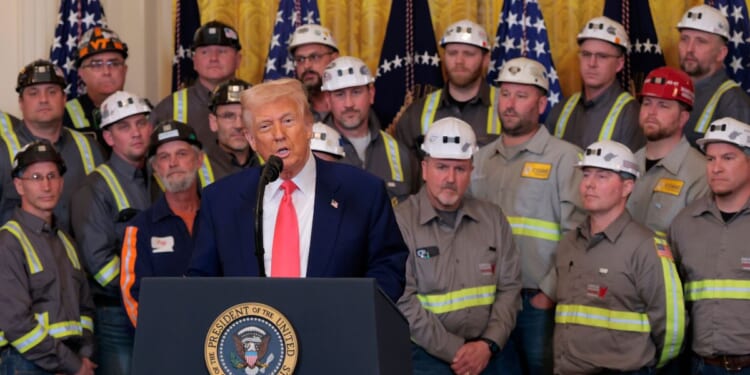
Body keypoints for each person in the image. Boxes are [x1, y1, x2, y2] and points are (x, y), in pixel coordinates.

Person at [186, 78, 408, 303]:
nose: (279, 134)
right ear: (251, 139)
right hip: (252, 336)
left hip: (336, 331)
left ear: (308, 126)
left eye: (288, 121)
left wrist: (351, 316)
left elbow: (388, 267)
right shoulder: (221, 201)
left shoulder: (363, 192)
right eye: (265, 126)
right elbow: (202, 281)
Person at [471, 57, 585, 375]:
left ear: (542, 103)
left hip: (538, 303)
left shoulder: (566, 159)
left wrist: (550, 292)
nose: (510, 104)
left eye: (521, 96)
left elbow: (578, 234)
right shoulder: (478, 160)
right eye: (505, 94)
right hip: (488, 303)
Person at [396, 117, 521, 375]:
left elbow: (509, 288)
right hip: (426, 356)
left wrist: (487, 345)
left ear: (471, 170)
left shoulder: (493, 218)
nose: (450, 178)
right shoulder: (400, 222)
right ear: (425, 168)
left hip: (490, 354)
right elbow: (402, 300)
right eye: (442, 167)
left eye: (460, 169)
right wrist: (456, 352)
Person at [553, 140, 685, 374]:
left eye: (602, 176)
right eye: (586, 175)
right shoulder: (569, 244)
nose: (589, 185)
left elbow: (672, 328)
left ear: (627, 187)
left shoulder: (646, 247)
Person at [70, 91, 153, 375]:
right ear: (108, 138)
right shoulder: (94, 189)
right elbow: (100, 265)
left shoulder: (158, 177)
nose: (136, 133)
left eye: (141, 123)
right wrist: (144, 291)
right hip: (115, 314)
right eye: (124, 127)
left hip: (154, 307)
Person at [0, 140, 96, 375]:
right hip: (25, 363)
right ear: (19, 186)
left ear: (61, 183)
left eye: (52, 176)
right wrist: (72, 364)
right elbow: (16, 324)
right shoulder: (8, 242)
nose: (46, 185)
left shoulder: (66, 241)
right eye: (36, 178)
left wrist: (84, 355)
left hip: (69, 361)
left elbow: (85, 310)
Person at [669, 117, 750, 374]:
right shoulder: (684, 224)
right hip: (701, 365)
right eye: (710, 159)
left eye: (728, 158)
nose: (716, 168)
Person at [0, 60, 104, 232]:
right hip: (20, 257)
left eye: (52, 92)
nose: (43, 100)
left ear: (64, 99)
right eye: (33, 93)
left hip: (83, 255)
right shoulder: (3, 151)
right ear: (21, 102)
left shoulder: (89, 147)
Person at [121, 121, 204, 328]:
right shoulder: (140, 228)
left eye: (182, 154)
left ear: (199, 160)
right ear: (156, 168)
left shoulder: (220, 218)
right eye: (164, 157)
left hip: (219, 342)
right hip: (166, 343)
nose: (173, 163)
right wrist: (160, 340)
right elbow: (132, 296)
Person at [395, 19, 499, 167]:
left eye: (468, 54)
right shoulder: (416, 113)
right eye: (452, 53)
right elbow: (405, 174)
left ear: (486, 60)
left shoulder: (506, 108)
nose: (459, 61)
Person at [627, 67, 709, 237]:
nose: (652, 112)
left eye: (663, 105)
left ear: (683, 118)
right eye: (647, 102)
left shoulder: (701, 174)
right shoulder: (627, 163)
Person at [322, 56, 413, 203]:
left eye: (356, 92)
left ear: (371, 94)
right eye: (340, 94)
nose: (349, 104)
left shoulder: (399, 153)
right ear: (327, 100)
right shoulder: (312, 152)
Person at [545, 16, 644, 151]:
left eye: (602, 56)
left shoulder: (631, 114)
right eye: (586, 54)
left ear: (619, 64)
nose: (591, 63)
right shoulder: (563, 108)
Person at [152, 20, 242, 166]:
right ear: (194, 61)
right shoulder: (167, 109)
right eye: (205, 52)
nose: (213, 58)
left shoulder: (258, 101)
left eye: (222, 51)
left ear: (238, 59)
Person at [676, 5, 750, 149]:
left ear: (721, 53)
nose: (689, 49)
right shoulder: (673, 92)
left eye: (701, 41)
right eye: (684, 39)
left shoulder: (733, 102)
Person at [64, 26, 129, 155]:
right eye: (96, 65)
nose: (106, 72)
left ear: (125, 70)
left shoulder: (144, 113)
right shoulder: (63, 117)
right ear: (81, 73)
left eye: (114, 64)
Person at [207, 78, 259, 180]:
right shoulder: (195, 168)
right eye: (229, 116)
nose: (239, 125)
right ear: (213, 122)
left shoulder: (271, 162)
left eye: (245, 116)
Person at [288, 24, 339, 121]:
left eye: (315, 57)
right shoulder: (289, 110)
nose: (306, 66)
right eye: (300, 59)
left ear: (334, 58)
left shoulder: (352, 104)